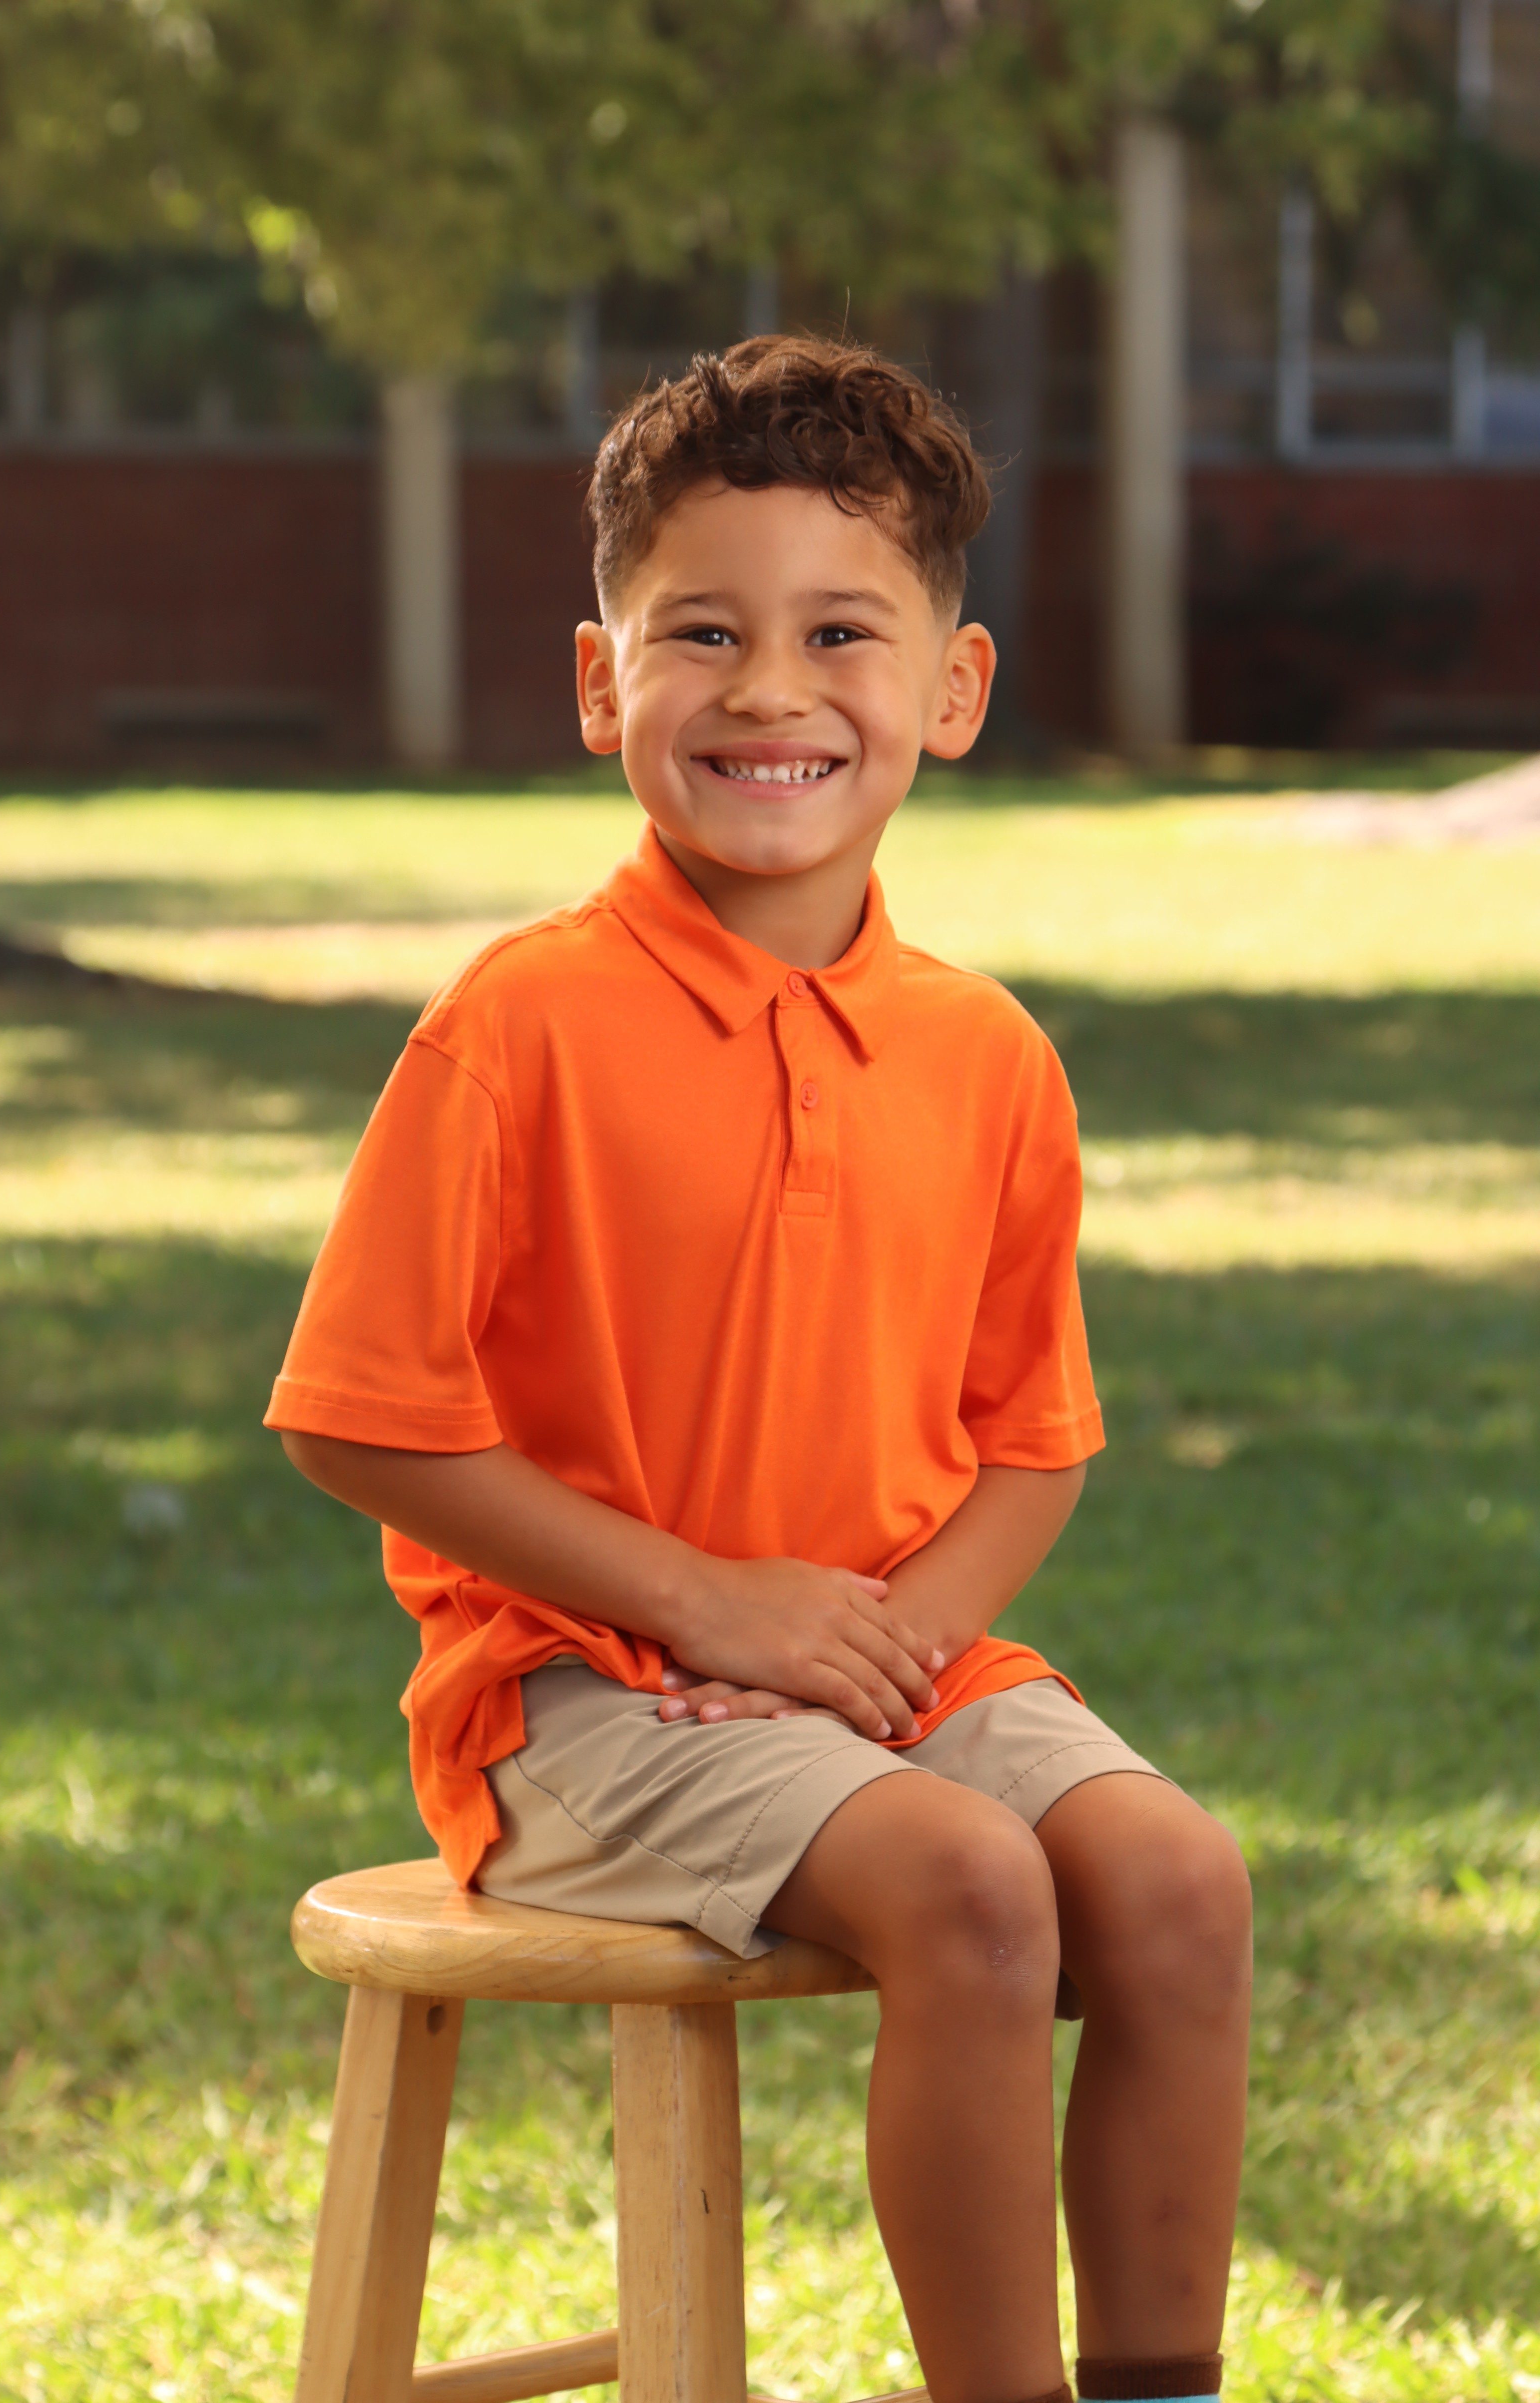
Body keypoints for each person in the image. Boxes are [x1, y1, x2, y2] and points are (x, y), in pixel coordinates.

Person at [267, 335, 1252, 2403]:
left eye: (840, 634)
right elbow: (357, 1416)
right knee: (973, 1886)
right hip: (572, 1695)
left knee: (1175, 1884)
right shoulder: (518, 1026)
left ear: (952, 690)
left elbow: (1030, 1447)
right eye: (701, 633)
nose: (770, 691)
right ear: (601, 681)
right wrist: (712, 1606)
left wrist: (886, 1649)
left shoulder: (988, 1056)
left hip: (890, 1655)